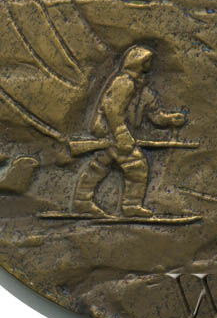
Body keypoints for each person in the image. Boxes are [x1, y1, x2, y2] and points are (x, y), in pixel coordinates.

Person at [72, 46, 185, 217]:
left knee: (99, 166)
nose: (149, 64)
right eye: (146, 61)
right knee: (136, 166)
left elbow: (154, 115)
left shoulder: (144, 91)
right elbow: (112, 110)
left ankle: (82, 201)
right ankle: (130, 205)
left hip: (119, 135)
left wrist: (169, 119)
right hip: (111, 133)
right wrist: (121, 135)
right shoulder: (124, 83)